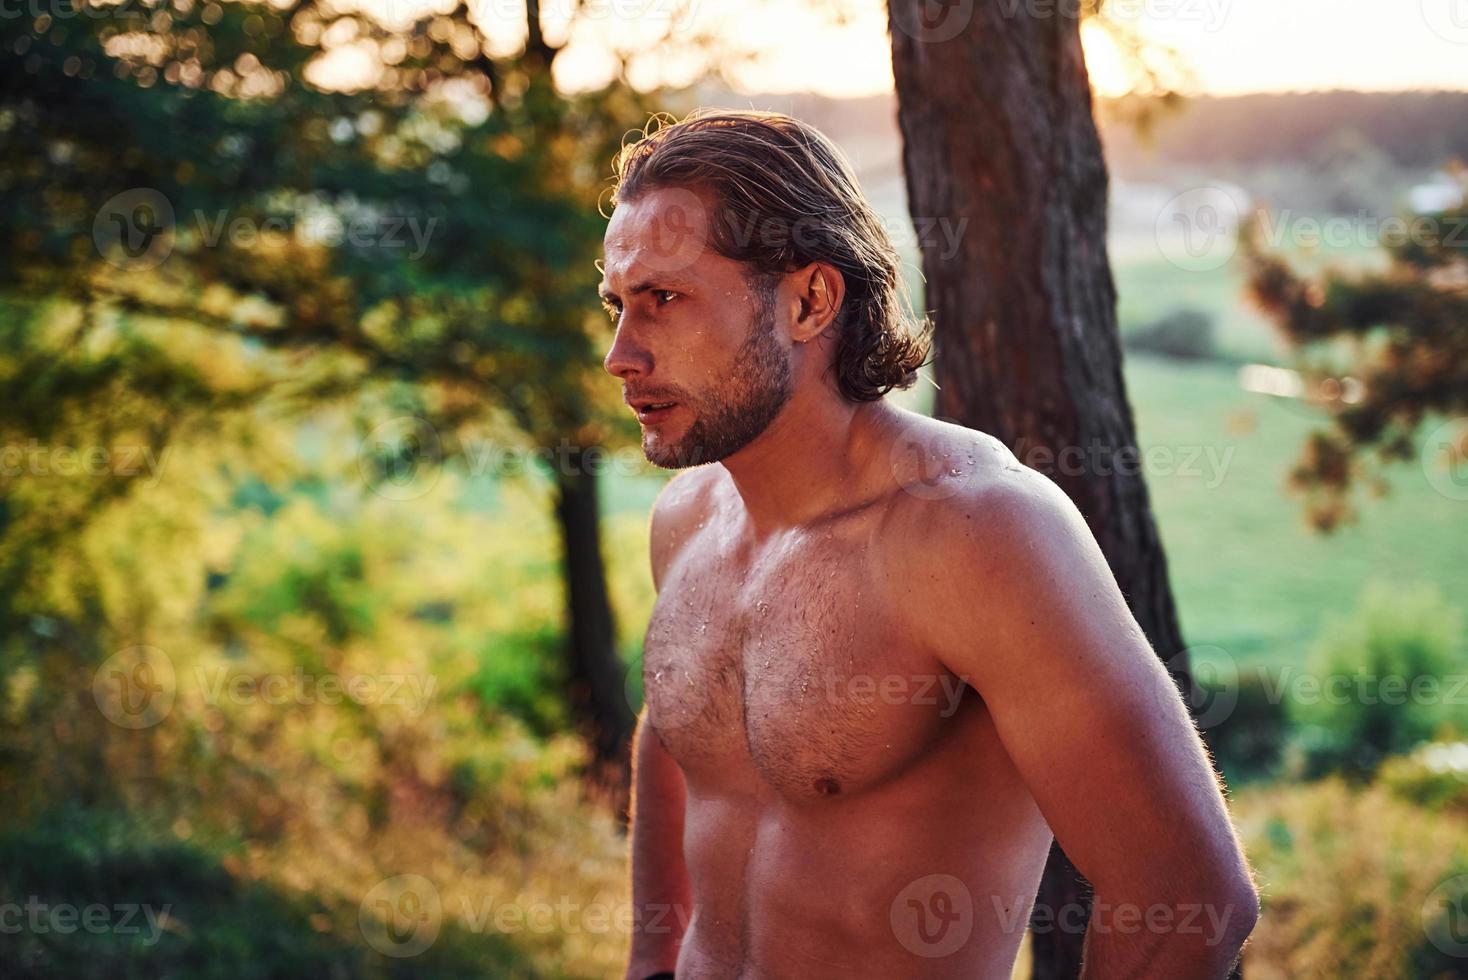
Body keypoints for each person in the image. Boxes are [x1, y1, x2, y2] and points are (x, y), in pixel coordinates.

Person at [598, 109, 1258, 980]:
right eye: (617, 305)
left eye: (664, 301)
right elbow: (682, 742)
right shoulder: (687, 520)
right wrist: (651, 961)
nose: (620, 354)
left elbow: (1190, 899)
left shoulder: (974, 535)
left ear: (809, 300)